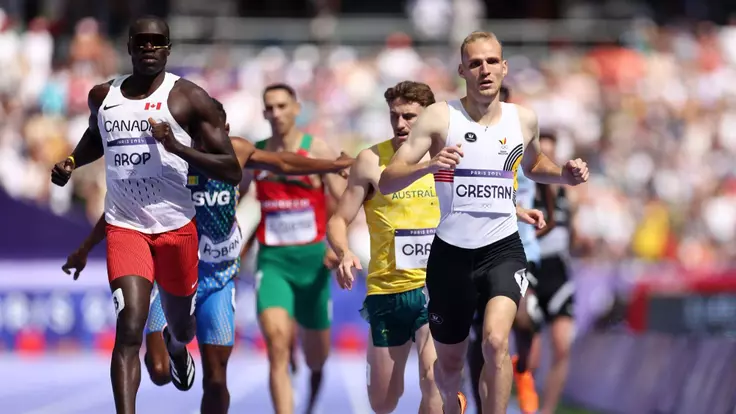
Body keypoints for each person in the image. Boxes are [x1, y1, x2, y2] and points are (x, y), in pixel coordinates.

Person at [61, 98, 353, 414]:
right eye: (198, 133)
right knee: (158, 371)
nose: (210, 142)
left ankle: (178, 342)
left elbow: (283, 162)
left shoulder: (236, 151)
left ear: (225, 131)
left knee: (216, 378)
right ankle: (176, 346)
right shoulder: (169, 159)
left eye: (217, 134)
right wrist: (84, 248)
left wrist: (332, 165)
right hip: (175, 271)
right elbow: (127, 211)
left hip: (218, 276)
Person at [377, 31, 589, 414]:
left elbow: (536, 165)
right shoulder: (440, 117)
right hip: (451, 256)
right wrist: (429, 164)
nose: (485, 70)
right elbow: (389, 177)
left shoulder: (523, 120)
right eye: (475, 63)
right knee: (450, 366)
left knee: (495, 341)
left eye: (492, 61)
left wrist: (565, 176)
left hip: (503, 249)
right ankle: (455, 401)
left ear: (504, 67)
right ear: (462, 70)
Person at [243, 83, 346, 414]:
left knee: (318, 358)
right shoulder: (254, 153)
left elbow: (346, 202)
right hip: (273, 262)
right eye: (269, 107)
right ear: (263, 113)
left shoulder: (316, 149)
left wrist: (338, 246)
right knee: (276, 346)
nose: (276, 114)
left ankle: (310, 403)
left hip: (314, 263)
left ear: (297, 109)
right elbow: (236, 199)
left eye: (282, 106)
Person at [465, 86, 556, 414]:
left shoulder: (522, 139)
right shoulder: (468, 142)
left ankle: (523, 373)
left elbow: (546, 193)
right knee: (484, 336)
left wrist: (544, 220)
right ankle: (479, 404)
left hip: (522, 249)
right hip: (479, 247)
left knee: (522, 316)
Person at [524, 130, 576, 414]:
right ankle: (528, 404)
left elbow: (574, 230)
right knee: (530, 357)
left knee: (562, 347)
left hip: (559, 272)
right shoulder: (527, 189)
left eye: (550, 153)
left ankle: (548, 410)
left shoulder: (568, 193)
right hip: (533, 270)